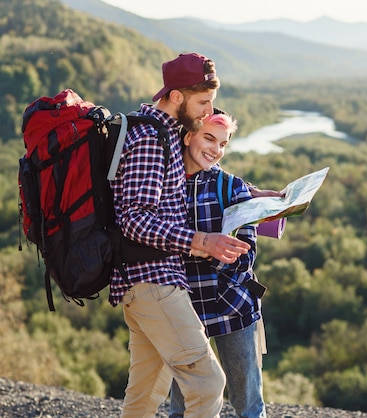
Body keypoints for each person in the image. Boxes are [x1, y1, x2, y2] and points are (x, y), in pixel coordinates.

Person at [109, 52, 251, 418]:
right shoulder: (149, 140)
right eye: (203, 102)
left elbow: (194, 176)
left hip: (148, 284)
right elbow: (135, 220)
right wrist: (204, 241)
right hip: (153, 282)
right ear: (176, 97)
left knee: (146, 393)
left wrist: (254, 195)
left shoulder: (167, 135)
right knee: (207, 384)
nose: (207, 111)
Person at [169, 111, 268, 418]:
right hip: (182, 310)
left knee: (248, 402)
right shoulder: (164, 186)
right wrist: (206, 245)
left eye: (223, 143)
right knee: (184, 403)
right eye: (209, 138)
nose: (215, 149)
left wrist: (199, 249)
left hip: (233, 307)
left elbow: (247, 253)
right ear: (188, 137)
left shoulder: (233, 188)